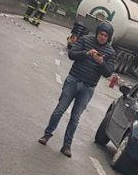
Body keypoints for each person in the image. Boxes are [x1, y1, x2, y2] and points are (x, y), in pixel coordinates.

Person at [38, 21, 115, 157]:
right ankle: (47, 135)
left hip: (88, 88)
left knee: (75, 117)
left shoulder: (110, 52)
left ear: (109, 38)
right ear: (97, 33)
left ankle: (67, 145)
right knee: (59, 110)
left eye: (106, 36)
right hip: (73, 81)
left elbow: (108, 73)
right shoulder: (85, 40)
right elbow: (71, 54)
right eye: (101, 34)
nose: (102, 37)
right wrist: (86, 53)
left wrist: (101, 63)